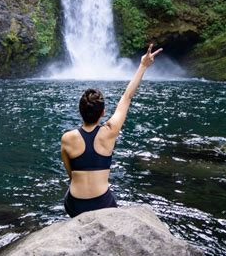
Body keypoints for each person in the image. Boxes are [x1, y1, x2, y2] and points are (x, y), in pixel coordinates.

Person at [61, 43, 163, 217]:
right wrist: (143, 65)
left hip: (75, 205)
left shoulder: (67, 138)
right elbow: (127, 97)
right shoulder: (110, 132)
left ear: (80, 111)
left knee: (68, 195)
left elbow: (70, 174)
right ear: (103, 112)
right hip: (102, 203)